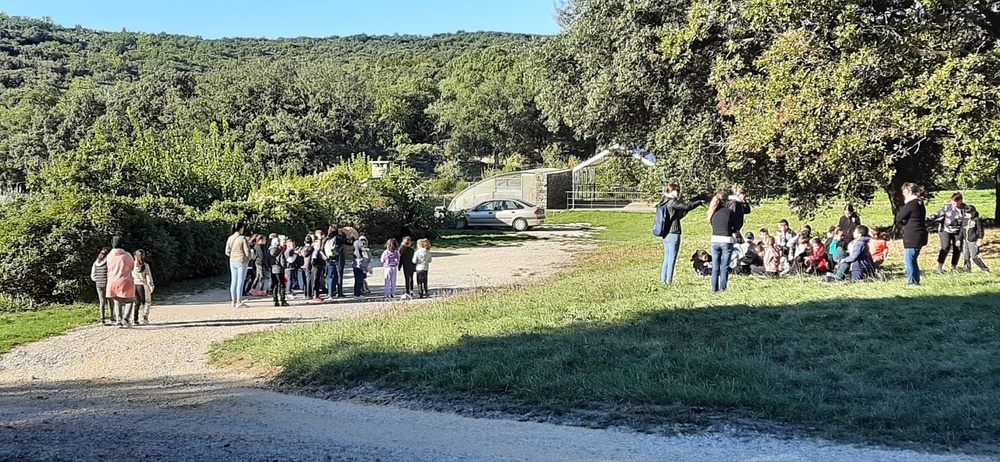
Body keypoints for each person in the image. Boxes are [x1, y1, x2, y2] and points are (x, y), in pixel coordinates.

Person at [658, 183, 707, 284]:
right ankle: (668, 281)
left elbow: (679, 214)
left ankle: (664, 281)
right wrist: (698, 202)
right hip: (673, 233)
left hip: (665, 234)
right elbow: (687, 206)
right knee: (672, 258)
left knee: (667, 258)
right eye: (677, 190)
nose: (678, 193)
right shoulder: (672, 202)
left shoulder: (664, 202)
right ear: (671, 191)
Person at [928, 192, 969, 274]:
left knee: (957, 248)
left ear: (960, 201)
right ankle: (939, 266)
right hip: (945, 230)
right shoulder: (947, 207)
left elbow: (965, 224)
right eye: (953, 202)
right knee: (945, 247)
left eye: (956, 202)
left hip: (958, 231)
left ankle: (954, 267)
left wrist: (960, 238)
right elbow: (937, 214)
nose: (954, 204)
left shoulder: (965, 209)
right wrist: (928, 218)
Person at [707, 191, 736, 293]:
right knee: (724, 266)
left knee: (715, 266)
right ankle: (722, 288)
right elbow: (734, 226)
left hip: (715, 239)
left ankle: (714, 288)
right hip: (726, 240)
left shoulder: (712, 212)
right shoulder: (729, 212)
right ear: (726, 201)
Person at [105, 236, 135, 328]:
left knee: (117, 302)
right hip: (126, 280)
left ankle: (118, 321)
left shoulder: (109, 256)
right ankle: (126, 318)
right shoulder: (127, 255)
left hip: (112, 281)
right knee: (129, 301)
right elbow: (132, 266)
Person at [225, 222, 251, 308]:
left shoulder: (230, 238)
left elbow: (227, 251)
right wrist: (249, 258)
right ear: (240, 228)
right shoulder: (242, 238)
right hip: (242, 261)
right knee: (240, 281)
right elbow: (247, 251)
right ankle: (239, 301)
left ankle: (233, 301)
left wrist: (233, 255)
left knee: (234, 281)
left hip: (232, 260)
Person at [961, 205, 990, 273]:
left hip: (973, 241)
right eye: (967, 213)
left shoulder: (976, 220)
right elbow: (961, 230)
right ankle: (967, 270)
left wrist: (979, 239)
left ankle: (985, 269)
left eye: (970, 213)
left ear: (974, 212)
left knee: (974, 257)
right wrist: (959, 239)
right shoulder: (964, 220)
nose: (968, 215)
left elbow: (980, 230)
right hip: (966, 241)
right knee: (966, 256)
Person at [131, 249, 154, 325]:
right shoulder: (145, 265)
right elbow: (148, 276)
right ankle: (145, 317)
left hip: (134, 285)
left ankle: (134, 319)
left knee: (136, 303)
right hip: (143, 285)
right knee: (146, 302)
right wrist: (151, 285)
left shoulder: (131, 265)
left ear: (135, 256)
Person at [323, 227, 346, 299]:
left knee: (330, 276)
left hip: (329, 259)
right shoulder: (338, 238)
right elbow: (348, 242)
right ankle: (340, 292)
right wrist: (344, 234)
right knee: (339, 275)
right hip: (338, 259)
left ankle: (330, 293)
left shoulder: (326, 239)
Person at [90, 247, 111, 325]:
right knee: (110, 300)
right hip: (107, 283)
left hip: (98, 284)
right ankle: (112, 317)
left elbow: (92, 276)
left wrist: (98, 280)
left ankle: (102, 319)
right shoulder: (108, 262)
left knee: (101, 301)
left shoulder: (96, 263)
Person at [268, 237, 288, 306]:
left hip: (272, 269)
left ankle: (275, 300)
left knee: (274, 285)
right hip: (279, 270)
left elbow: (266, 261)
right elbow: (283, 262)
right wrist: (285, 266)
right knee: (282, 285)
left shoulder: (269, 252)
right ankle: (283, 300)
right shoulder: (280, 251)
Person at [353, 234, 372, 300]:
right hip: (359, 268)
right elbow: (359, 259)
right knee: (359, 280)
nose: (363, 243)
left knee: (361, 280)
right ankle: (357, 294)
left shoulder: (365, 250)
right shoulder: (358, 251)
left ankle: (360, 292)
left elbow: (369, 258)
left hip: (363, 268)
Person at [310, 236, 327, 302]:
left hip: (319, 268)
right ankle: (315, 295)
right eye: (318, 244)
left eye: (320, 244)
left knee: (318, 281)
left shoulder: (319, 251)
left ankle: (317, 295)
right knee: (315, 281)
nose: (319, 246)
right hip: (316, 269)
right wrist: (317, 266)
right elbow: (313, 261)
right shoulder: (315, 252)